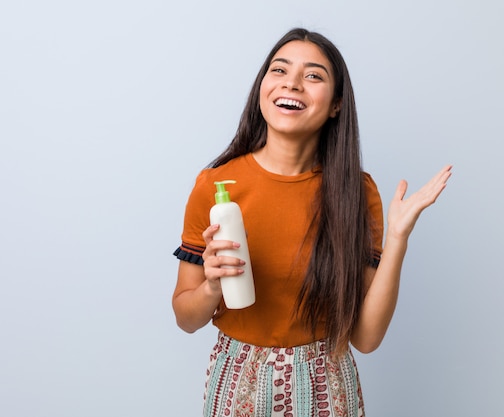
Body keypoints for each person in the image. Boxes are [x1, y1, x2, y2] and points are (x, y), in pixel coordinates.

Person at [172, 27, 452, 417]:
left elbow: (366, 338)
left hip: (326, 384)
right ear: (262, 88)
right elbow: (185, 318)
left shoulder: (355, 191)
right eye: (280, 70)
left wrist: (399, 239)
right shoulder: (215, 185)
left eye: (313, 75)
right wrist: (211, 287)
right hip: (239, 382)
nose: (292, 84)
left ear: (336, 104)